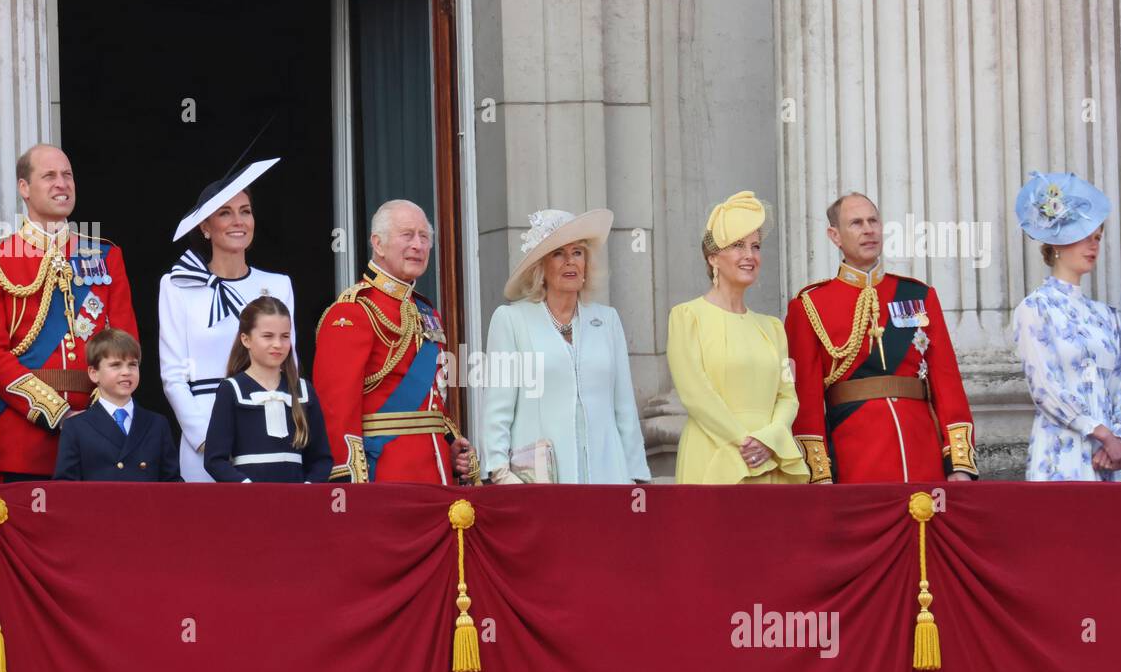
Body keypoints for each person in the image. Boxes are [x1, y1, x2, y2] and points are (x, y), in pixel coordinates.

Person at [0, 144, 138, 481]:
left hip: (99, 441)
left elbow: (124, 346)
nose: (62, 184)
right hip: (25, 446)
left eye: (67, 175)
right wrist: (57, 413)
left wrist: (95, 418)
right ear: (24, 188)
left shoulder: (105, 254)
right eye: (49, 176)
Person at [785, 192, 977, 483]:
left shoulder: (918, 295)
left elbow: (946, 379)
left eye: (873, 221)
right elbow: (806, 399)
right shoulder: (809, 305)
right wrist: (819, 474)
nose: (868, 229)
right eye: (856, 223)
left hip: (922, 451)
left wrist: (959, 463)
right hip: (855, 458)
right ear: (834, 236)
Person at [480, 208, 650, 484]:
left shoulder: (607, 320)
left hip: (609, 478)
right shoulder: (511, 320)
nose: (570, 262)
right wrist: (499, 472)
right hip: (538, 482)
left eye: (578, 253)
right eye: (558, 253)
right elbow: (497, 407)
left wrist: (638, 476)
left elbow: (624, 407)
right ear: (540, 267)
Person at [313, 199, 477, 484]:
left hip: (438, 475)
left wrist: (451, 444)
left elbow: (433, 402)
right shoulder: (352, 311)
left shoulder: (427, 312)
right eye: (407, 235)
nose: (418, 245)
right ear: (378, 244)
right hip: (387, 475)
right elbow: (336, 408)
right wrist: (348, 478)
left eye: (424, 237)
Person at [159, 159, 295, 481]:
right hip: (205, 434)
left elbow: (291, 366)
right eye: (225, 212)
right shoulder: (178, 285)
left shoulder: (279, 285)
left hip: (268, 425)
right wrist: (209, 441)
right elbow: (173, 376)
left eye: (245, 211)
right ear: (205, 227)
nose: (238, 221)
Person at [667, 193, 808, 485]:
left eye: (755, 246)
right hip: (713, 455)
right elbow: (695, 394)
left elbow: (787, 395)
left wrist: (769, 440)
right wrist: (744, 442)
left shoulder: (772, 328)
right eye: (738, 245)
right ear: (712, 257)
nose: (750, 255)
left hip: (769, 459)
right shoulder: (686, 317)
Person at [1011, 171, 1121, 481]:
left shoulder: (1106, 316)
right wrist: (1101, 433)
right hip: (1059, 456)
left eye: (1097, 238)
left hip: (1108, 461)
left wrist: (1117, 440)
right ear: (1057, 243)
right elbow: (1044, 388)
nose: (1093, 246)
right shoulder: (1035, 308)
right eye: (1085, 236)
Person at [204, 297, 332, 483]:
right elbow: (215, 460)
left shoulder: (303, 390)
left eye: (285, 336)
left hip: (297, 502)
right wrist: (248, 489)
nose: (278, 344)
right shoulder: (231, 390)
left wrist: (307, 489)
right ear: (246, 339)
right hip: (250, 502)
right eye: (268, 336)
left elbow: (321, 459)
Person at [52, 329, 180, 482]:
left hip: (146, 505)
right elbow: (66, 489)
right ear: (94, 373)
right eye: (116, 365)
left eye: (132, 364)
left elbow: (171, 484)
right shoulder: (76, 427)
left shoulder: (157, 424)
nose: (126, 372)